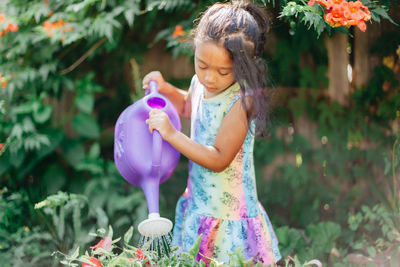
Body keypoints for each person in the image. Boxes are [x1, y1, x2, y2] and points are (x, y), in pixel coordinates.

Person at [142, 1, 281, 265]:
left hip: (227, 214)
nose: (209, 78)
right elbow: (188, 106)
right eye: (202, 65)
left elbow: (219, 158)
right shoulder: (200, 84)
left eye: (223, 71)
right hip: (200, 202)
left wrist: (172, 134)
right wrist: (166, 88)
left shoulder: (241, 102)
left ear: (242, 66)